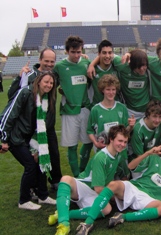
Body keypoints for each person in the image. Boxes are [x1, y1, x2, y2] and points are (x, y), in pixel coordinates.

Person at [76, 137, 161, 235]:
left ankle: (123, 217)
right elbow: (131, 166)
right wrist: (148, 153)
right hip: (135, 188)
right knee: (113, 185)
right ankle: (87, 223)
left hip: (149, 199)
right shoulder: (153, 159)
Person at [51, 125, 130, 235]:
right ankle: (64, 224)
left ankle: (63, 213)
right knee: (66, 179)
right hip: (85, 187)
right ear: (111, 139)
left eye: (125, 142)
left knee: (107, 209)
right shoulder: (101, 157)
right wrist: (112, 195)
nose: (122, 144)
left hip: (93, 193)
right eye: (120, 141)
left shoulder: (117, 155)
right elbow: (98, 189)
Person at [0, 72, 57, 210]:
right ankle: (23, 200)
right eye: (46, 82)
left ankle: (42, 196)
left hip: (30, 139)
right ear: (38, 81)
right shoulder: (25, 93)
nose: (48, 85)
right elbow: (9, 115)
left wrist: (36, 147)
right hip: (16, 137)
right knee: (30, 165)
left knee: (42, 161)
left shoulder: (47, 99)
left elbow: (43, 124)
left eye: (51, 83)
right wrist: (3, 139)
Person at [7, 48, 62, 189]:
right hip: (32, 126)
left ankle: (55, 181)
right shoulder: (29, 74)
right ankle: (34, 186)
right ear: (40, 60)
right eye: (46, 61)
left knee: (53, 154)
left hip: (48, 124)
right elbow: (13, 95)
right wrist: (20, 77)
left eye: (52, 61)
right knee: (34, 157)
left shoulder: (54, 75)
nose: (49, 64)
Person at [54, 36, 93, 177]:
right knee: (72, 145)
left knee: (88, 142)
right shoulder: (59, 67)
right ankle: (76, 176)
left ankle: (82, 171)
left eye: (78, 52)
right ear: (66, 51)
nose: (76, 55)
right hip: (69, 110)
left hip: (85, 108)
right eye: (73, 52)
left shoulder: (86, 63)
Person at [87, 74, 135, 179]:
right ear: (102, 90)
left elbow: (125, 131)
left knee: (123, 177)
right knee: (105, 178)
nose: (111, 92)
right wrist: (95, 143)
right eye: (108, 89)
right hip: (104, 150)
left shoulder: (121, 108)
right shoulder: (96, 109)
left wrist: (130, 127)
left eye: (113, 89)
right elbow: (89, 130)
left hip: (120, 150)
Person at [88, 40, 118, 106]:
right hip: (97, 108)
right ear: (99, 54)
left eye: (110, 53)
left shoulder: (116, 66)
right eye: (104, 53)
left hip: (115, 108)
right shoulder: (92, 69)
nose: (107, 56)